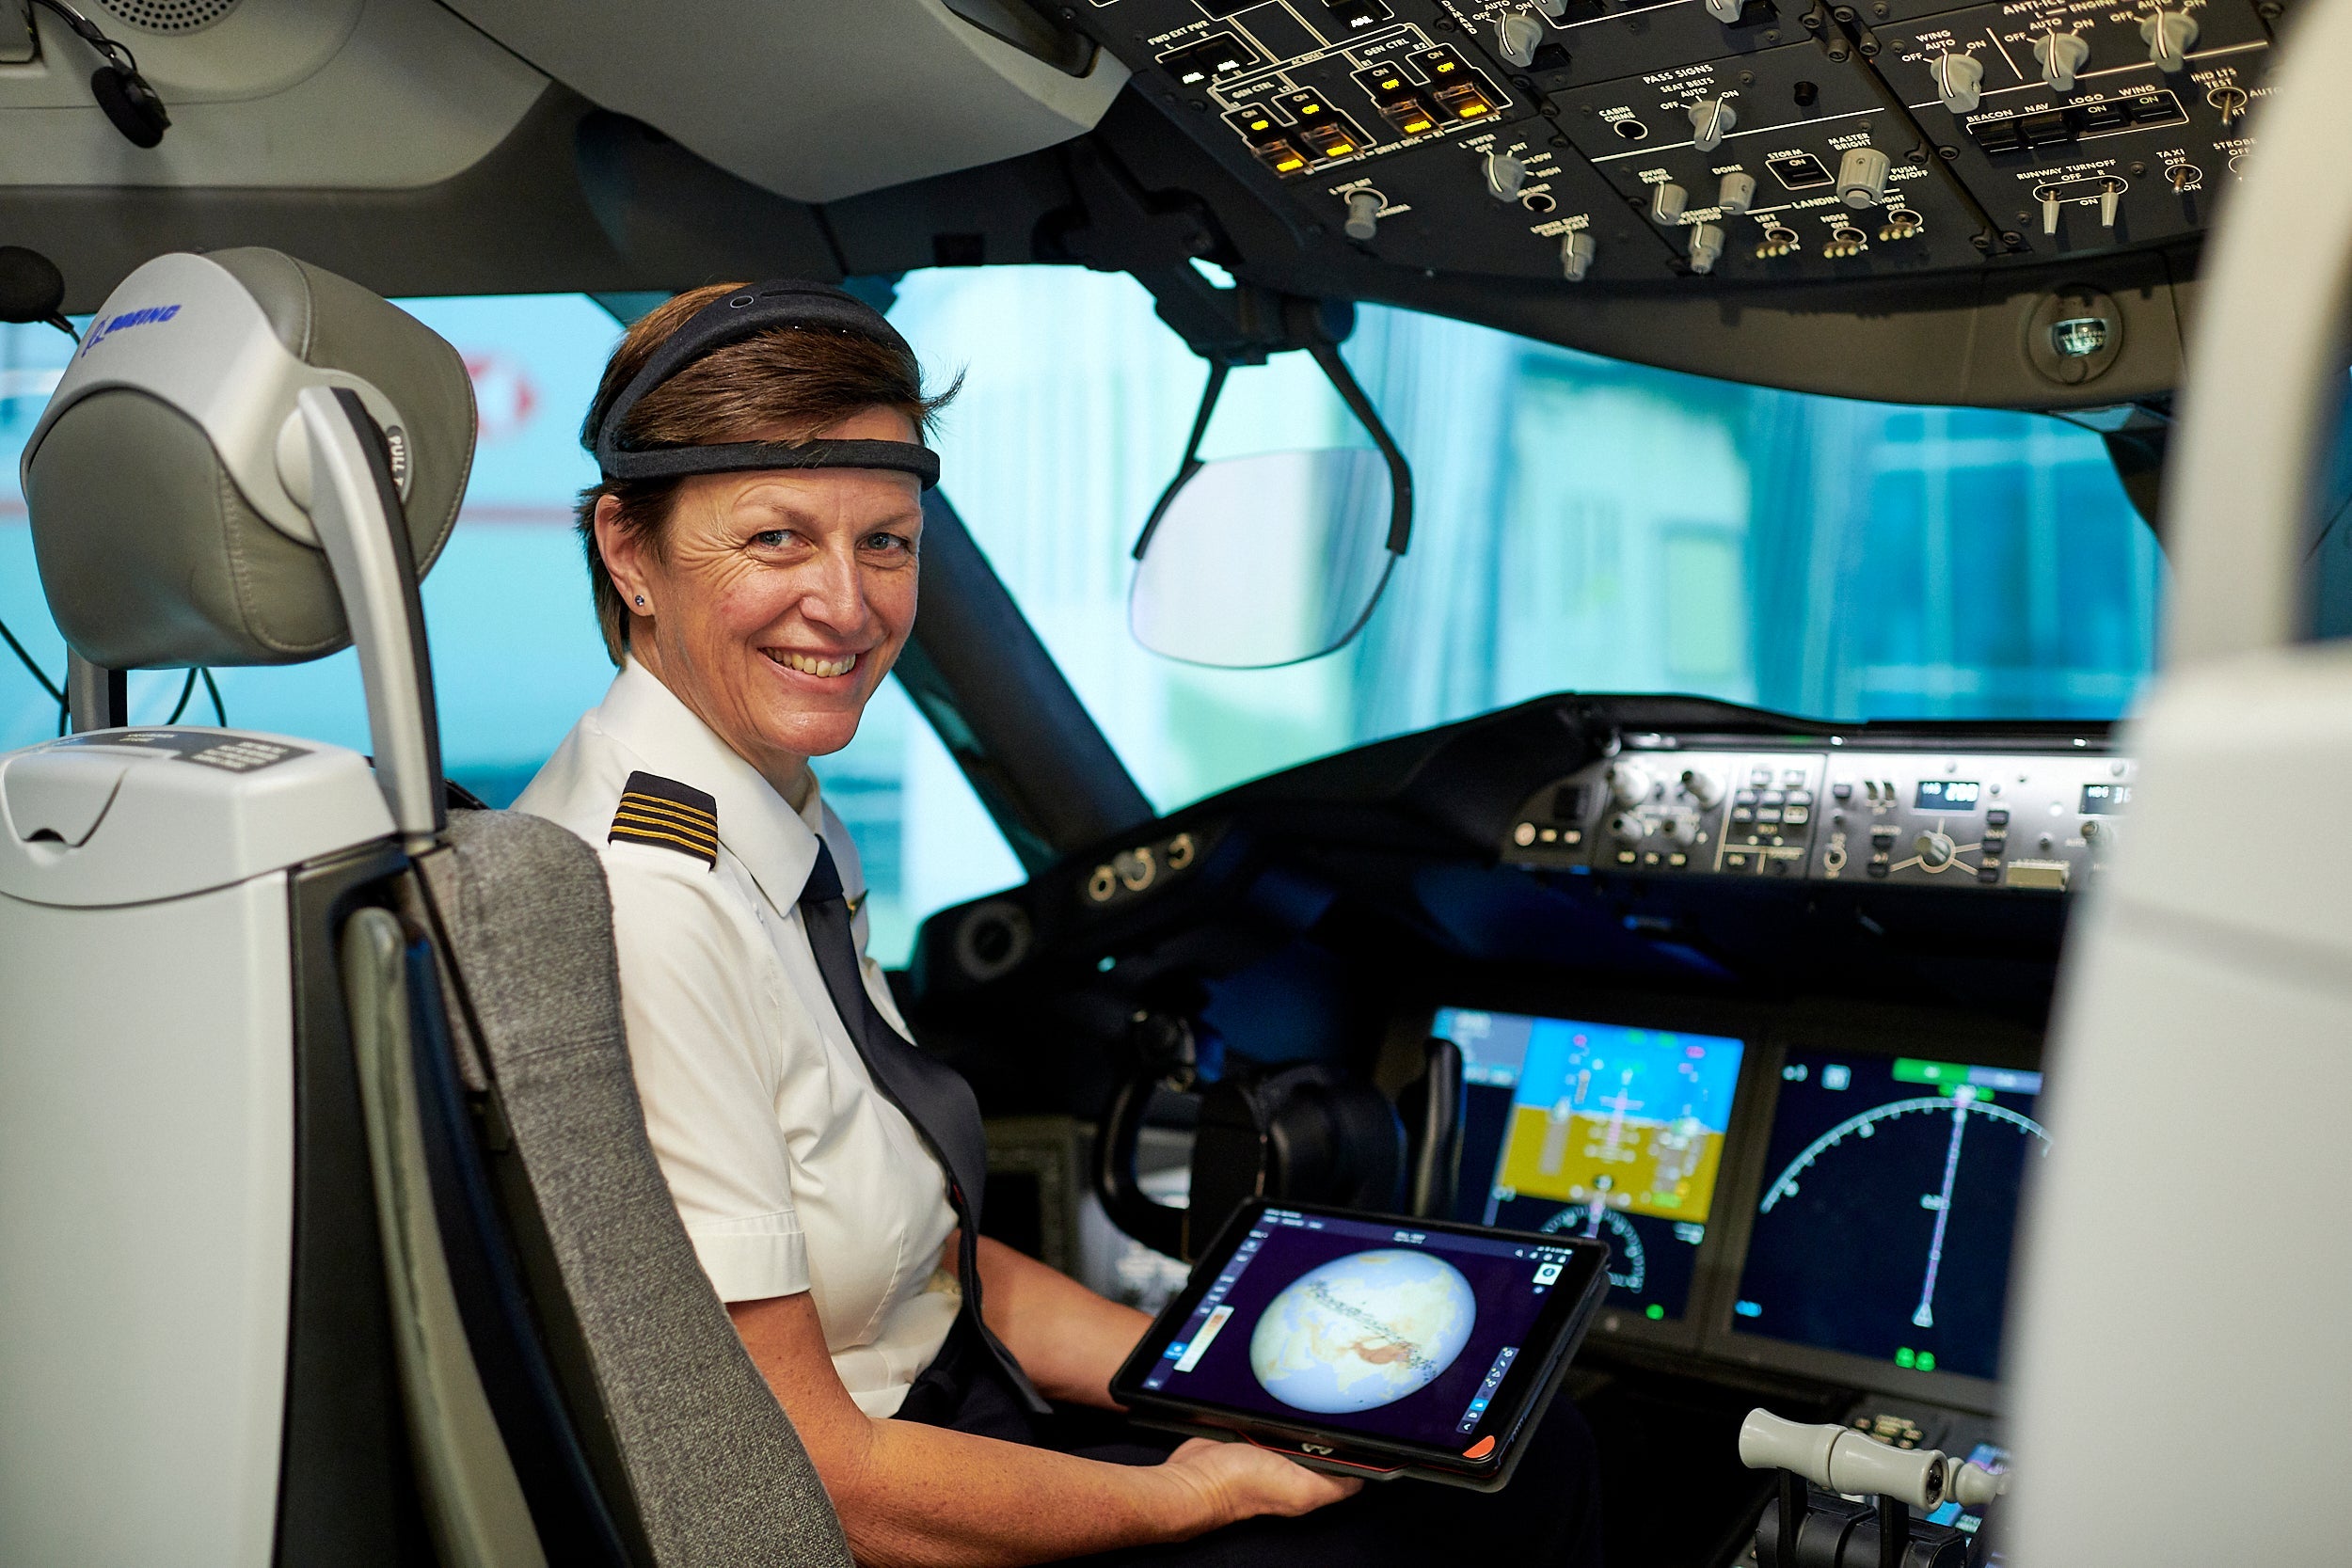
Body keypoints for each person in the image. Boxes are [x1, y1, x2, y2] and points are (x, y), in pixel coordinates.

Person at [517, 280, 1602, 1567]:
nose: (849, 607)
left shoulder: (766, 812)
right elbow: (810, 1475)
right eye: (775, 539)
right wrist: (1194, 1492)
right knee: (1500, 1501)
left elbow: (938, 1275)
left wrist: (1250, 1388)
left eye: (887, 543)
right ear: (628, 550)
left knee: (1498, 1445)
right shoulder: (651, 895)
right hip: (863, 1511)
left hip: (947, 1418)